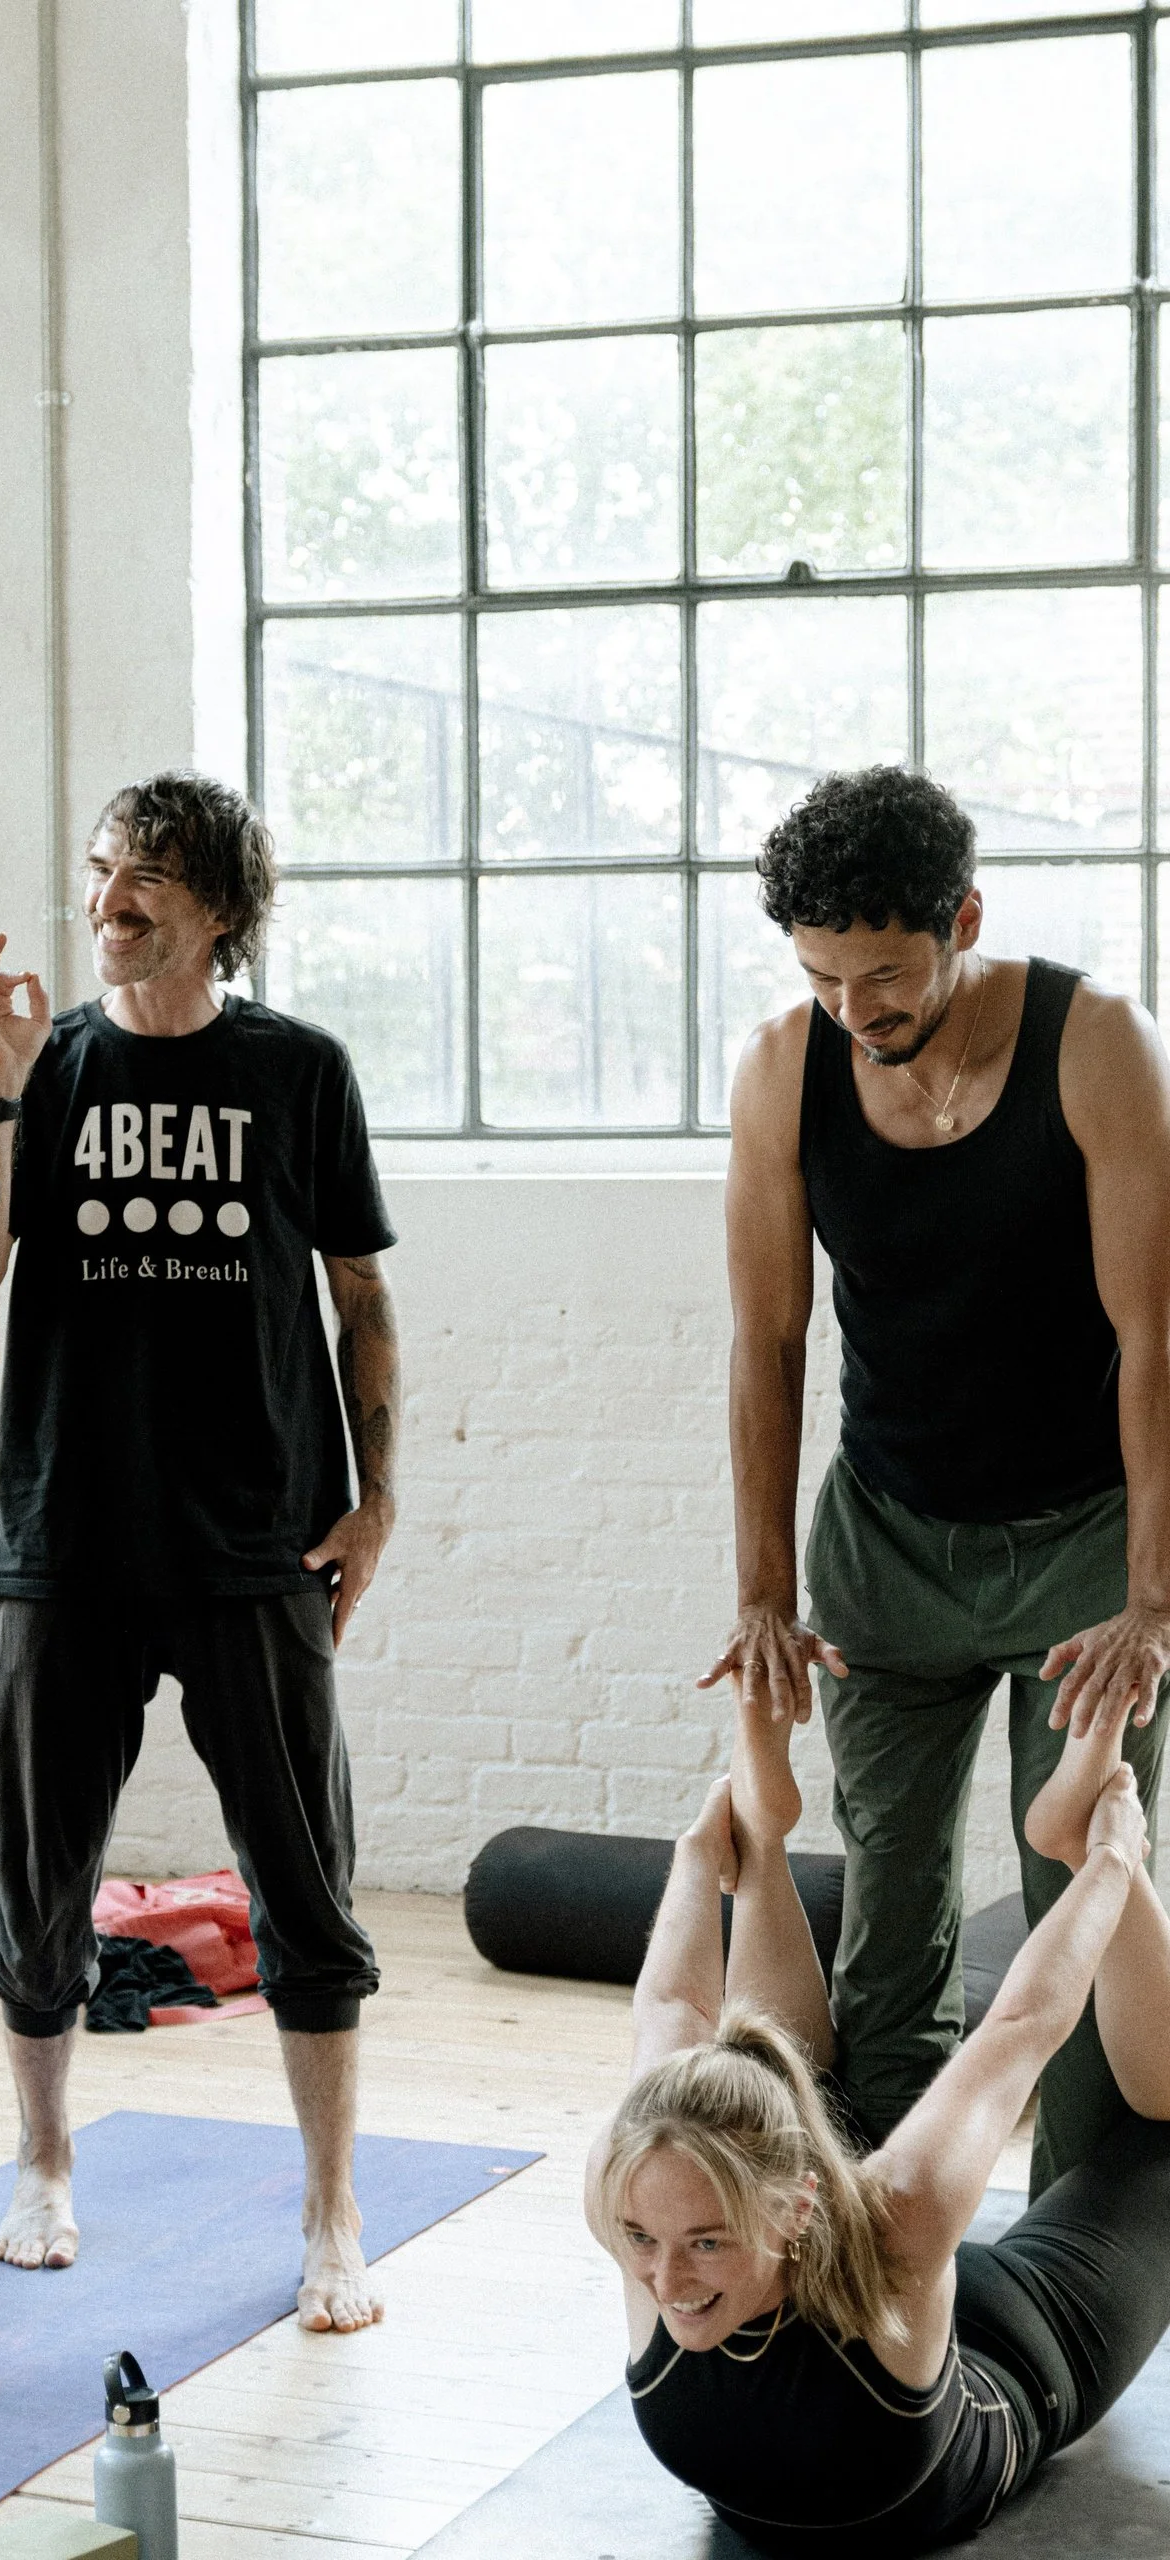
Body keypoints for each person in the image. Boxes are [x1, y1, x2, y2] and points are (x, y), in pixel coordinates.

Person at [0, 769, 400, 2332]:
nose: (110, 895)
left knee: (305, 1887)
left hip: (257, 1532)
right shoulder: (47, 1066)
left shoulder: (300, 1071)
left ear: (218, 910)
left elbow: (361, 1300)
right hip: (65, 1530)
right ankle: (43, 2161)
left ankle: (332, 2210)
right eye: (102, 868)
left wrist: (377, 1491)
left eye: (145, 877)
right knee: (41, 1882)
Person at [703, 765, 1170, 2192]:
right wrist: (766, 1594)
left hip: (1084, 1547)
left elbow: (1158, 1338)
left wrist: (1154, 1602)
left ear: (964, 917)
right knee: (887, 1900)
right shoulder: (787, 1066)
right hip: (886, 1541)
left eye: (888, 972)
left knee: (1077, 1881)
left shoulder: (1095, 1042)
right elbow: (767, 1342)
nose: (860, 1008)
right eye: (826, 975)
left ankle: (1077, 2248)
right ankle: (875, 2222)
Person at [585, 1680, 1170, 2554]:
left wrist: (1112, 1867)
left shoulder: (901, 2219)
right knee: (753, 2075)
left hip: (1016, 2350)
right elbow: (669, 2008)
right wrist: (699, 1854)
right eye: (642, 2241)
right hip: (853, 2281)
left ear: (800, 2206)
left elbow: (1018, 2032)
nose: (663, 2282)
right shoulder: (640, 2184)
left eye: (707, 2241)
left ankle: (1063, 1838)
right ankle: (764, 1843)